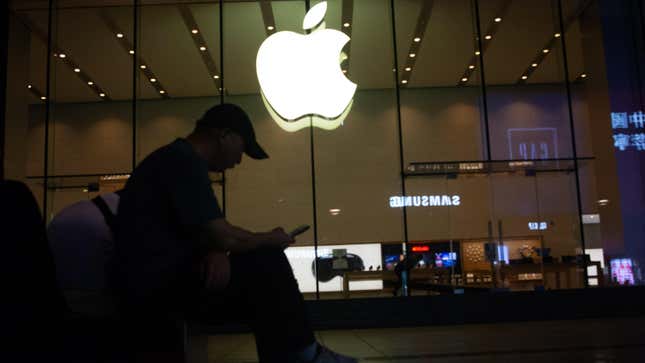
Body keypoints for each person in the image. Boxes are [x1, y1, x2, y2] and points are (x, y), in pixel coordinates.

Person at [113, 103, 357, 363]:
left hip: (154, 283)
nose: (239, 160)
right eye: (242, 148)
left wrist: (215, 249)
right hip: (158, 292)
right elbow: (223, 234)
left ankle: (300, 354)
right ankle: (303, 355)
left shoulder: (172, 160)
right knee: (267, 262)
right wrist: (268, 239)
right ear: (224, 135)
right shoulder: (183, 162)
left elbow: (200, 231)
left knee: (264, 275)